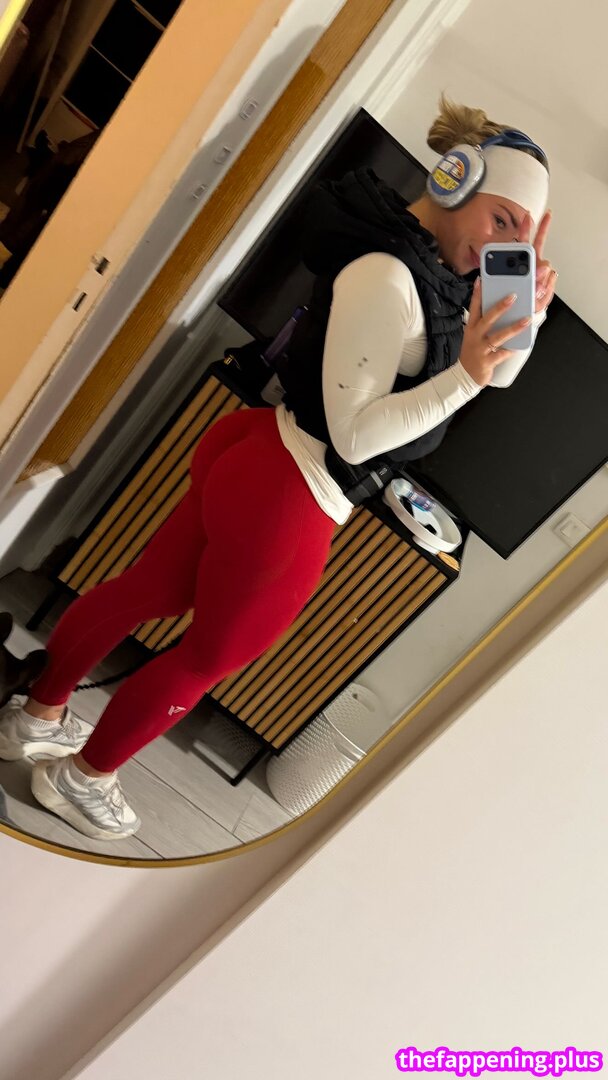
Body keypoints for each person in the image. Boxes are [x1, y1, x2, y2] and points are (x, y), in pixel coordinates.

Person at [0, 94, 557, 841]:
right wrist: (465, 378)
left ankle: (35, 717)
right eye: (502, 222)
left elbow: (493, 375)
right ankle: (82, 777)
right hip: (292, 491)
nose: (505, 245)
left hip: (264, 454)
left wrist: (519, 322)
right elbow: (356, 437)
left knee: (147, 589)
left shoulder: (438, 269)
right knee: (208, 658)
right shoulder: (387, 276)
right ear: (455, 180)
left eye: (523, 235)